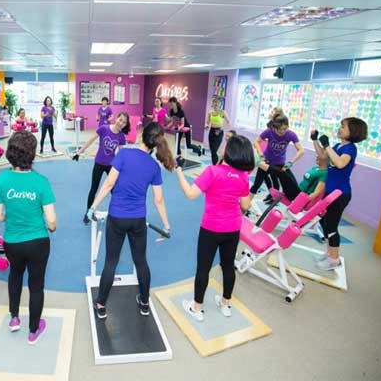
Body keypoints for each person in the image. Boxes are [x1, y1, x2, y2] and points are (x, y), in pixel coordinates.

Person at [88, 122, 174, 319]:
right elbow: (159, 200)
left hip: (117, 217)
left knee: (111, 261)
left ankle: (101, 304)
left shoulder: (124, 154)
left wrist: (93, 207)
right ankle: (144, 302)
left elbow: (109, 184)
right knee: (141, 261)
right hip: (137, 220)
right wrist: (166, 225)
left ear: (141, 136)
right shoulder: (154, 166)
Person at [175, 135, 254, 321]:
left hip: (211, 228)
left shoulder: (212, 171)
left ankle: (197, 308)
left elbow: (190, 194)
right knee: (228, 266)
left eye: (226, 144)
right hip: (233, 228)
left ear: (230, 150)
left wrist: (179, 170)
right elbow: (246, 205)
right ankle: (226, 304)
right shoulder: (243, 177)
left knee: (203, 268)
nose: (223, 145)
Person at [0, 131, 57, 345]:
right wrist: (51, 227)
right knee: (36, 285)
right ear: (32, 154)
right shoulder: (41, 181)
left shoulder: (2, 180)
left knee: (15, 275)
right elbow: (52, 222)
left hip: (13, 243)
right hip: (38, 242)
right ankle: (33, 331)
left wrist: (10, 216)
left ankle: (14, 318)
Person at [312, 117, 367, 270]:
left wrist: (327, 145)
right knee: (324, 222)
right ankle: (329, 253)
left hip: (340, 194)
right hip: (329, 192)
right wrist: (315, 140)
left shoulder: (350, 149)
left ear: (353, 131)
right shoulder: (337, 146)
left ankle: (334, 260)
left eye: (343, 126)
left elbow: (340, 163)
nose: (340, 128)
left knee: (331, 226)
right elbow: (323, 157)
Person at [77, 113, 130, 224]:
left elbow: (121, 153)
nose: (121, 123)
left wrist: (123, 167)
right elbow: (91, 140)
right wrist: (79, 152)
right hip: (99, 163)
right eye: (120, 120)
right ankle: (88, 212)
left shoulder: (121, 136)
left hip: (111, 166)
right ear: (116, 118)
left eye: (124, 122)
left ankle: (119, 212)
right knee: (94, 189)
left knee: (114, 190)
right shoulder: (104, 128)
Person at [250, 115, 304, 204]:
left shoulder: (291, 134)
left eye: (285, 129)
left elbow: (301, 150)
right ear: (274, 127)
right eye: (279, 130)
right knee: (256, 185)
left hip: (280, 164)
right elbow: (256, 142)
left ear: (288, 126)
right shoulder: (269, 131)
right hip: (266, 162)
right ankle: (244, 206)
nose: (282, 131)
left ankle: (273, 201)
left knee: (283, 184)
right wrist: (261, 155)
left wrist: (291, 162)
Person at [257, 151, 328, 203]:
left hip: (298, 196)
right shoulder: (315, 168)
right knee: (285, 168)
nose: (317, 156)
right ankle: (264, 163)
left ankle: (258, 163)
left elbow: (317, 192)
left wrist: (301, 202)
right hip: (297, 190)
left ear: (327, 159)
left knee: (282, 174)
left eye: (320, 155)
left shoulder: (324, 173)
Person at [205, 98, 231, 165]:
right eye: (214, 102)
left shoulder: (222, 112)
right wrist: (206, 126)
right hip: (211, 131)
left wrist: (220, 129)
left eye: (217, 103)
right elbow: (207, 122)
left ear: (220, 104)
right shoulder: (210, 113)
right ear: (213, 104)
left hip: (219, 132)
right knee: (212, 151)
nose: (216, 104)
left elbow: (229, 123)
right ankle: (217, 165)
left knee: (214, 150)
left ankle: (216, 166)